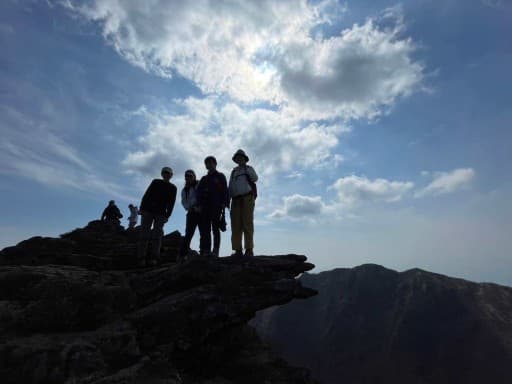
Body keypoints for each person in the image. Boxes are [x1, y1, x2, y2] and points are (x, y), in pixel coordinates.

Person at [136, 167, 177, 266]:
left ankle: (154, 258)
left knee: (157, 236)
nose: (166, 174)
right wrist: (142, 208)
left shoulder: (173, 188)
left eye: (168, 173)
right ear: (162, 174)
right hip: (148, 211)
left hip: (161, 214)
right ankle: (141, 258)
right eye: (164, 172)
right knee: (144, 234)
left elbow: (172, 203)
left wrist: (168, 215)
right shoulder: (155, 182)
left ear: (171, 175)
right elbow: (147, 195)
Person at [228, 149, 258, 258]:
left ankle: (249, 249)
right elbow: (230, 187)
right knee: (236, 225)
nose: (239, 159)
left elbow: (255, 178)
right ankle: (238, 250)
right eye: (237, 158)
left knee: (247, 224)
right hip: (235, 200)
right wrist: (228, 200)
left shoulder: (249, 169)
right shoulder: (233, 172)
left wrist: (246, 169)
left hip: (247, 198)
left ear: (244, 159)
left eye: (241, 157)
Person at [197, 156, 229, 258]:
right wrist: (199, 204)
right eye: (207, 163)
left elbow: (225, 190)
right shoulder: (204, 179)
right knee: (206, 230)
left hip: (216, 206)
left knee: (215, 229)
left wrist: (225, 203)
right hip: (205, 207)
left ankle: (215, 251)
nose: (209, 165)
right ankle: (207, 250)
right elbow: (198, 193)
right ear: (205, 165)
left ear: (215, 164)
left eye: (211, 163)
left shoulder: (220, 176)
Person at [179, 170, 200, 261]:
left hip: (201, 211)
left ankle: (204, 251)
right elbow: (184, 202)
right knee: (189, 234)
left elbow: (204, 196)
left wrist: (200, 206)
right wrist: (190, 208)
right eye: (187, 176)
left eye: (190, 176)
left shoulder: (199, 185)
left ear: (194, 176)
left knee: (204, 232)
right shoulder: (185, 190)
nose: (188, 178)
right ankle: (183, 255)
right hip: (191, 212)